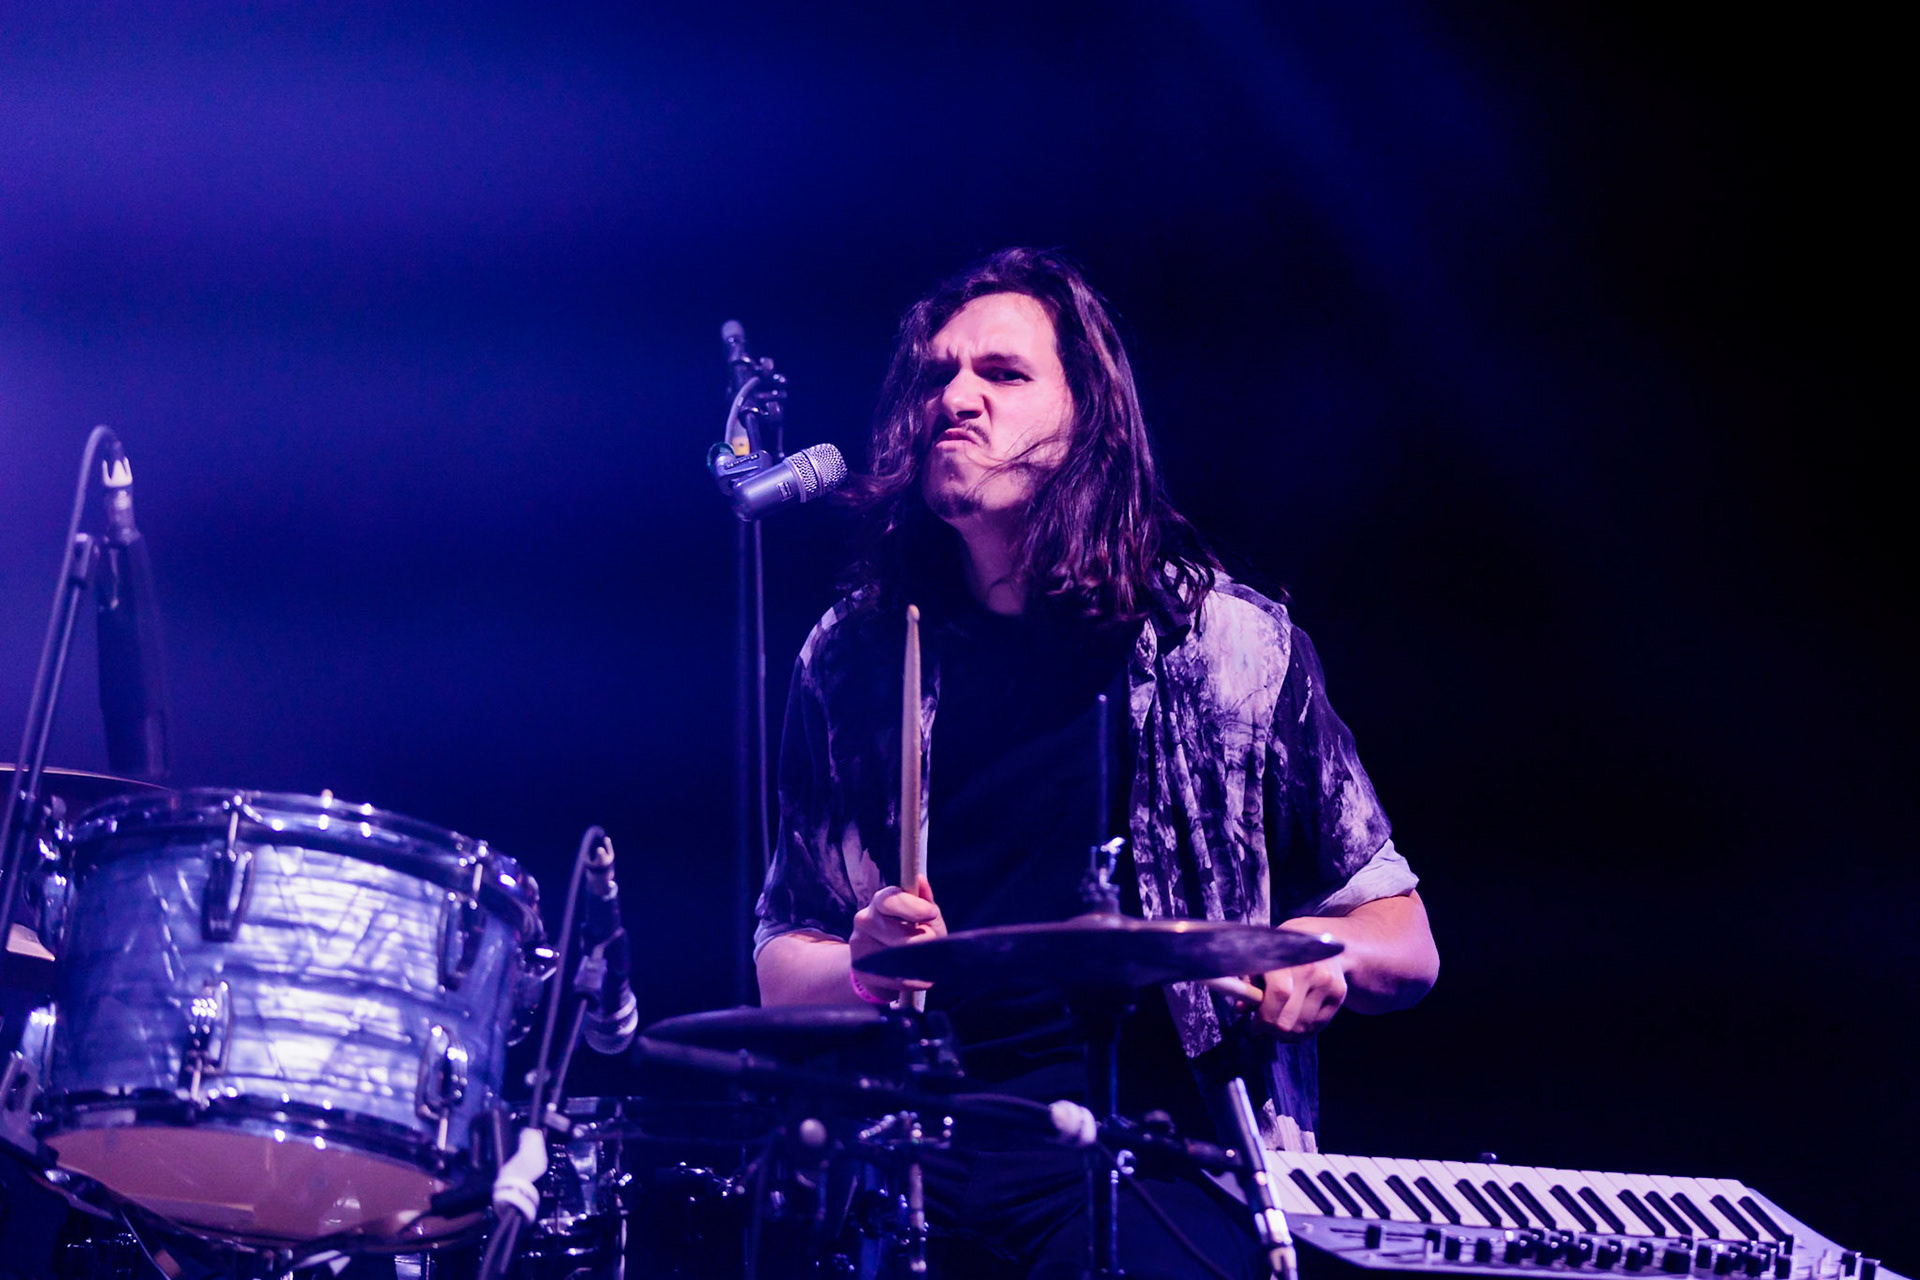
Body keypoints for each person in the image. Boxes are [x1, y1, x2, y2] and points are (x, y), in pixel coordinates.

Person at [754, 248, 1439, 1278]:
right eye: (938, 375)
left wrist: (1316, 952)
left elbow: (1407, 938)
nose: (956, 398)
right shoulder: (853, 661)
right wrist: (864, 963)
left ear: (1089, 419)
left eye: (1003, 373)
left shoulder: (1226, 647)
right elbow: (777, 969)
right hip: (918, 1159)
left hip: (1163, 1154)